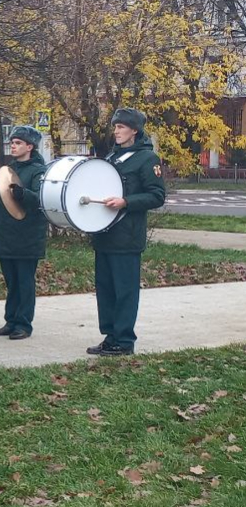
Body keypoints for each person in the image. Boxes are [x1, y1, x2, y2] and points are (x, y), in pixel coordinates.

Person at [87, 107, 166, 356]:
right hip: (105, 235)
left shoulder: (147, 159)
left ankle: (124, 340)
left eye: (121, 127)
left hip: (127, 236)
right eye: (115, 127)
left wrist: (126, 202)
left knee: (125, 290)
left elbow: (157, 195)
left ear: (135, 130)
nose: (116, 131)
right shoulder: (112, 157)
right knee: (106, 289)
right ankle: (110, 336)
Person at [0, 125, 48, 340]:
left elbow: (41, 200)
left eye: (18, 143)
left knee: (24, 281)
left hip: (27, 236)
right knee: (11, 281)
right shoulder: (8, 169)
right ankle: (11, 320)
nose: (13, 146)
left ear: (29, 146)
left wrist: (24, 194)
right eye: (12, 143)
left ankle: (23, 323)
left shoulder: (39, 171)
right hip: (7, 234)